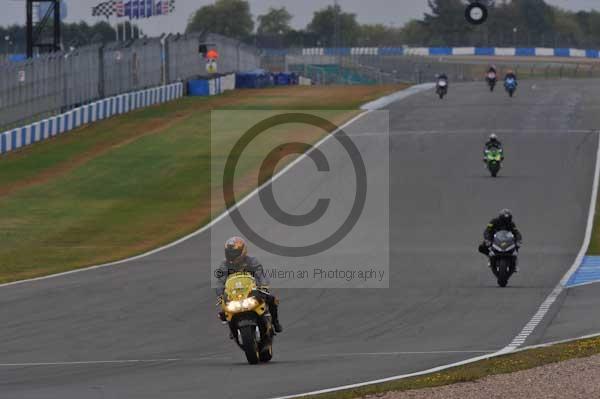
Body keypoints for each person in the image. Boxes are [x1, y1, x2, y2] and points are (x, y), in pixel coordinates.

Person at [216, 236, 283, 333]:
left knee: (272, 299)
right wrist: (220, 295)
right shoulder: (224, 265)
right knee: (223, 312)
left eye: (234, 253)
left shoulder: (252, 261)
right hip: (235, 293)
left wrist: (263, 286)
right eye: (229, 253)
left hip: (252, 291)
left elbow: (261, 274)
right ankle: (233, 329)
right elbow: (220, 281)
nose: (231, 255)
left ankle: (275, 323)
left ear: (242, 251)